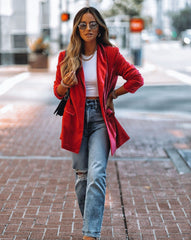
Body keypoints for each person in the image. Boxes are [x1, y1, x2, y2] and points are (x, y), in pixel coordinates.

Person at [54, 7, 144, 240]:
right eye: (82, 25)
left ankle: (90, 235)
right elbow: (57, 91)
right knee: (82, 177)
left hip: (100, 118)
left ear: (100, 27)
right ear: (76, 28)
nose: (88, 29)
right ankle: (90, 226)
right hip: (76, 119)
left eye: (92, 24)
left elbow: (136, 78)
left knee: (97, 174)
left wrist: (114, 94)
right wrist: (65, 83)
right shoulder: (66, 57)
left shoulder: (110, 54)